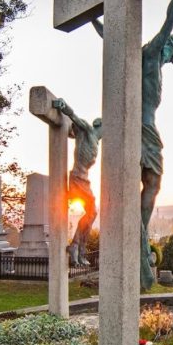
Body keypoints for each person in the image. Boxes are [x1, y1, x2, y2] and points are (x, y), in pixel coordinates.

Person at [92, 0, 173, 289]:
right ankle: (138, 233)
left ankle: (139, 233)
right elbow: (170, 16)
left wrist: (97, 21)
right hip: (141, 127)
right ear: (170, 48)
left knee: (153, 184)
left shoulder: (149, 64)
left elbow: (110, 36)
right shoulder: (150, 56)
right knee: (150, 182)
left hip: (149, 128)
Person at [52, 98, 102, 267]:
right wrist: (63, 106)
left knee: (91, 213)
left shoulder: (96, 141)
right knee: (92, 212)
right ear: (99, 124)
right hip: (77, 178)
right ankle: (76, 247)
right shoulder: (88, 131)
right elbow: (75, 118)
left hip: (85, 179)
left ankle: (78, 248)